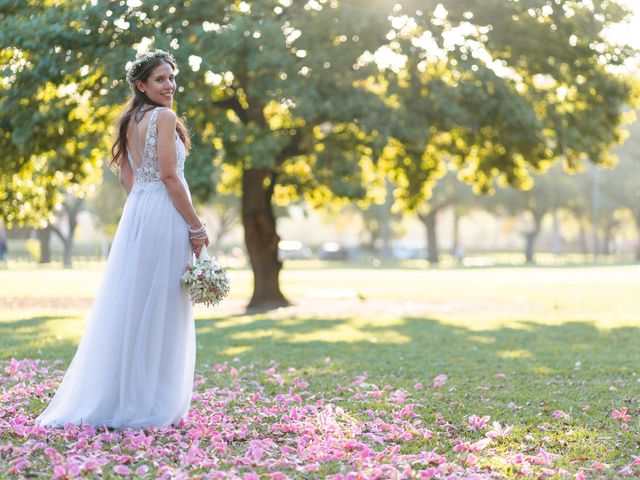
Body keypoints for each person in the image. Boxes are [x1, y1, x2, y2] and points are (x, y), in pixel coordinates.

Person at [36, 50, 208, 429]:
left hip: (140, 214)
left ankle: (126, 392)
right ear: (141, 85)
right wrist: (195, 225)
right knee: (160, 304)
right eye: (160, 79)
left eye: (172, 78)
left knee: (135, 304)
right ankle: (148, 399)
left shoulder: (131, 119)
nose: (169, 86)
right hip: (163, 212)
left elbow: (127, 177)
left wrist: (142, 212)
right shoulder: (164, 117)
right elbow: (168, 175)